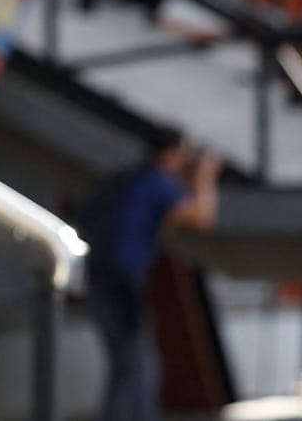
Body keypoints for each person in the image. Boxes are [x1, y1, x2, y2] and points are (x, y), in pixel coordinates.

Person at [78, 129, 221, 421]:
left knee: (124, 363)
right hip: (121, 281)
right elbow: (202, 217)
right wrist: (205, 176)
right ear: (170, 154)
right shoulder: (156, 183)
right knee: (139, 364)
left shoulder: (130, 178)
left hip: (99, 276)